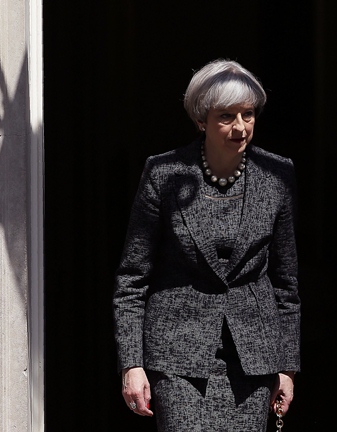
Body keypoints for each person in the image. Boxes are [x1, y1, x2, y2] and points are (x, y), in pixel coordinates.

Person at [113, 58, 301, 431]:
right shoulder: (163, 174)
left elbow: (286, 283)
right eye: (226, 116)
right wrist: (131, 363)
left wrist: (287, 366)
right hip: (177, 355)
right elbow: (132, 279)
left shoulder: (277, 174)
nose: (240, 127)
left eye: (248, 115)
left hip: (254, 357)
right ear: (201, 120)